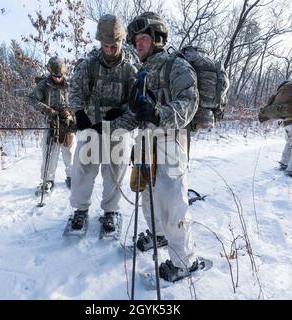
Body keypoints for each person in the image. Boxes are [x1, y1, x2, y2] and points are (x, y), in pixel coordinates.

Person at [126, 12, 200, 282]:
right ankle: (158, 235)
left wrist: (158, 113)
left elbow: (189, 104)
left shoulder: (175, 65)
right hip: (145, 143)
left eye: (143, 38)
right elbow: (135, 111)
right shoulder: (141, 72)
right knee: (147, 198)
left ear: (157, 37)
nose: (139, 44)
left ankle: (184, 262)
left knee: (172, 206)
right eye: (136, 40)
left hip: (169, 143)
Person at [68, 14, 137, 234]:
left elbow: (136, 103)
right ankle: (80, 209)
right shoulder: (88, 64)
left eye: (113, 45)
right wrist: (79, 114)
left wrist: (120, 115)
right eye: (105, 45)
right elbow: (75, 89)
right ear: (100, 43)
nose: (109, 50)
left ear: (121, 42)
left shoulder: (130, 69)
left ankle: (110, 211)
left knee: (115, 170)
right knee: (83, 168)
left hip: (118, 127)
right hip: (91, 125)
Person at [29, 57, 76, 193]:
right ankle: (47, 180)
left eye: (60, 75)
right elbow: (32, 99)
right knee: (49, 152)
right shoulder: (44, 85)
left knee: (70, 152)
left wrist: (71, 113)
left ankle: (72, 177)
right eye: (55, 75)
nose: (57, 77)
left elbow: (79, 100)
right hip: (51, 123)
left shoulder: (70, 84)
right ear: (50, 72)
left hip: (68, 123)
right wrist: (46, 109)